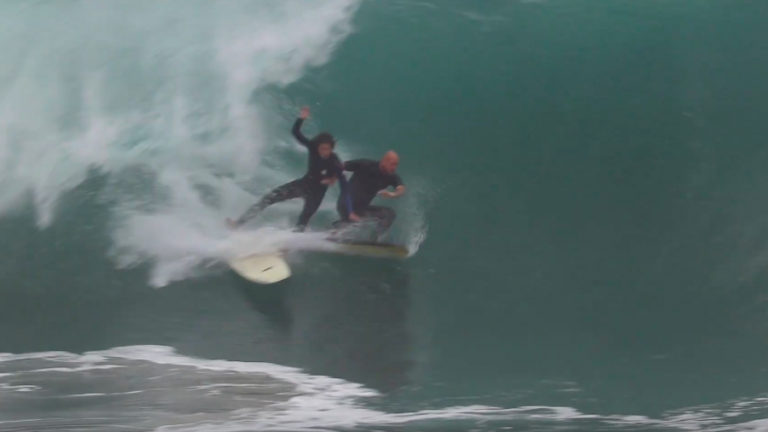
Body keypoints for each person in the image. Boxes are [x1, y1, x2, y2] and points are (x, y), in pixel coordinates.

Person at [226, 106, 356, 232]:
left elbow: (345, 187)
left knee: (304, 219)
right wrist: (301, 119)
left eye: (328, 149)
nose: (325, 152)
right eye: (322, 149)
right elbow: (296, 133)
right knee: (268, 199)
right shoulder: (313, 148)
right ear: (317, 147)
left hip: (317, 194)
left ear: (332, 148)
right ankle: (237, 224)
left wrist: (350, 211)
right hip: (304, 184)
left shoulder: (335, 162)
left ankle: (291, 242)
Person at [334, 151, 405, 239]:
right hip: (346, 205)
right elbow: (341, 166)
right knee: (353, 223)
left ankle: (374, 240)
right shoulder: (365, 165)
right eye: (392, 164)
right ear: (384, 161)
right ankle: (334, 232)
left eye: (396, 165)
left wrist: (392, 194)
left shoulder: (391, 177)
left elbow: (401, 188)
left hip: (361, 208)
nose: (394, 168)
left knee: (389, 214)